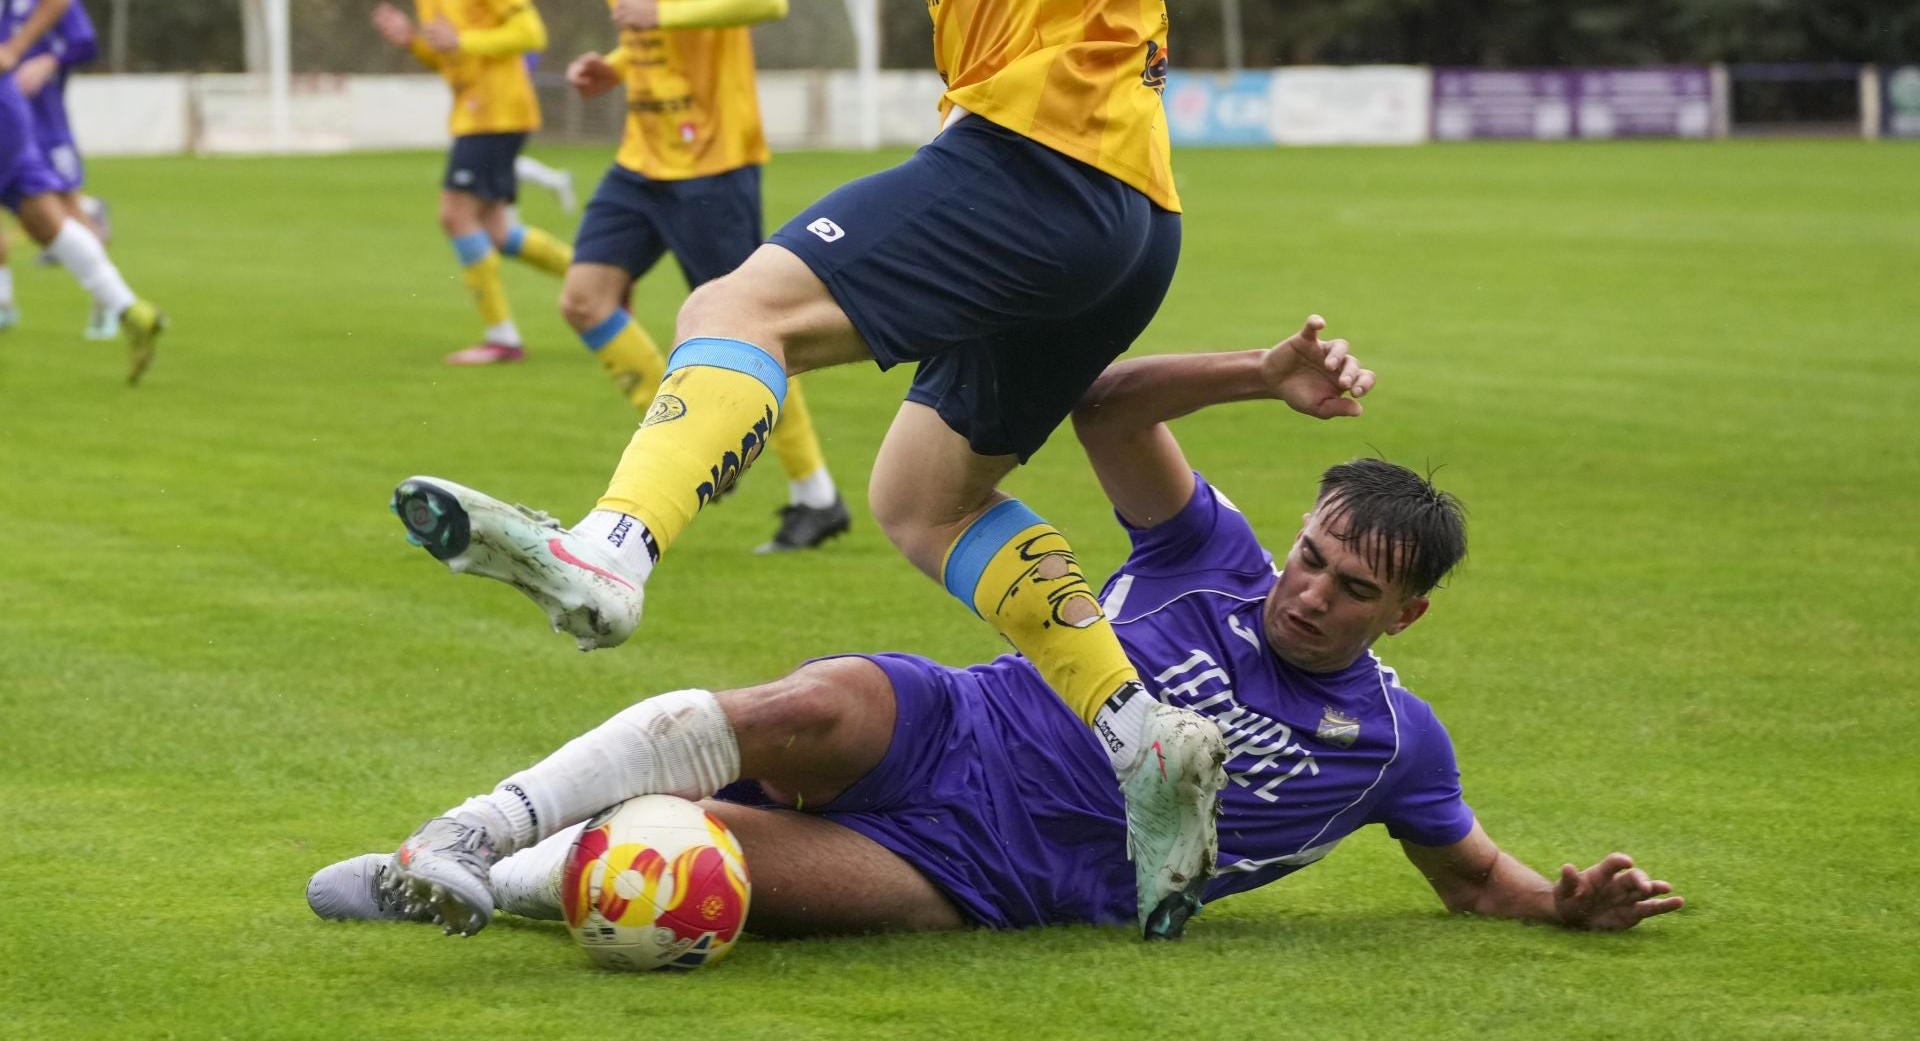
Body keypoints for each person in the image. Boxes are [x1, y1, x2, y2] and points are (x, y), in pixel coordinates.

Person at [387, 0, 1220, 937]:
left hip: (1040, 161)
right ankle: (1145, 735)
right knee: (922, 496)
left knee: (734, 303)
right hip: (1134, 211)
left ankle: (611, 546)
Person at [311, 316, 1683, 944]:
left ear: (1409, 613)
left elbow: (1473, 878)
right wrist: (1257, 376)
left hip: (990, 871)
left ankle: (477, 888)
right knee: (804, 705)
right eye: (1314, 555)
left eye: (1351, 587)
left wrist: (1567, 900)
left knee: (690, 863)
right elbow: (1107, 411)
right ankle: (472, 830)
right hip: (959, 719)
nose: (1310, 589)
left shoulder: (1394, 740)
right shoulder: (1212, 553)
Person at [529, 0, 850, 553]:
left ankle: (817, 493)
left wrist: (665, 11)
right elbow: (648, 29)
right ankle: (690, 441)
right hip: (643, 156)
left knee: (750, 329)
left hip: (712, 159)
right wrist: (615, 61)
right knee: (583, 298)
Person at [371, 0, 573, 366]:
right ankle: (600, 276)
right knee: (499, 233)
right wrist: (414, 43)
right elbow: (445, 59)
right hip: (470, 111)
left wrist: (466, 41)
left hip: (500, 109)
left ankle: (502, 338)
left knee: (454, 214)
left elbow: (532, 31)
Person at [0, 0, 164, 380]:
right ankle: (129, 309)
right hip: (10, 109)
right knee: (43, 222)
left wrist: (15, 50)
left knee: (56, 214)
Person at [0, 0, 112, 337]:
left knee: (66, 207)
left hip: (45, 120)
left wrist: (47, 59)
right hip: (7, 112)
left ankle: (109, 299)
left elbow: (84, 43)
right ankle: (5, 300)